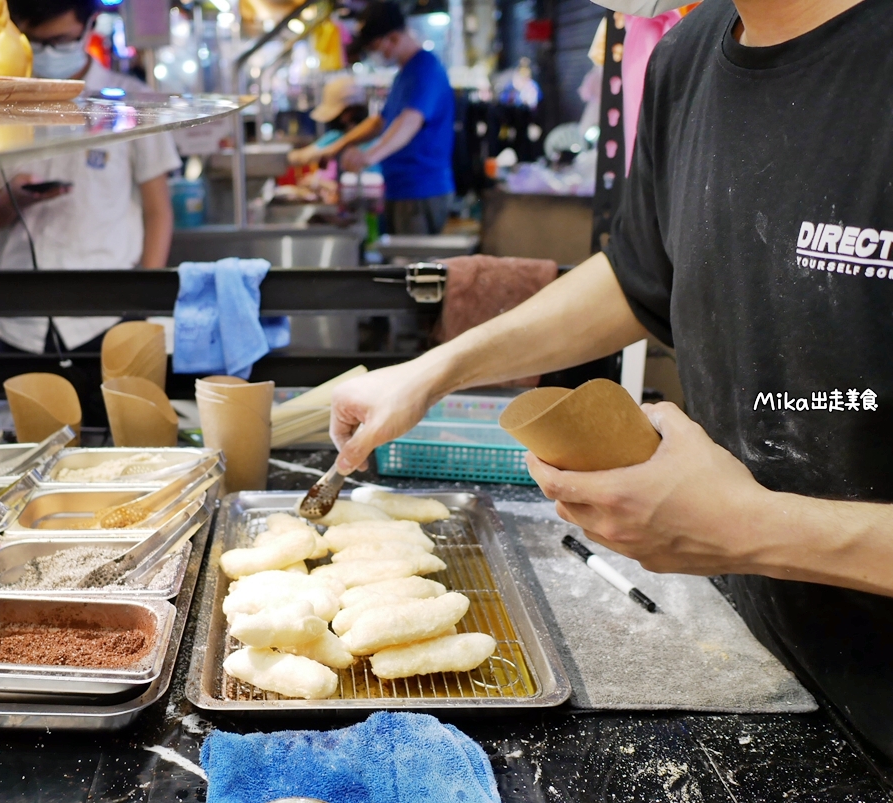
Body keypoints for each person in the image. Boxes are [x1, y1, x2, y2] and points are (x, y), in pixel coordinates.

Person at [329, 0, 893, 758]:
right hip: (771, 666)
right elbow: (639, 277)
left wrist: (756, 529)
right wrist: (434, 371)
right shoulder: (688, 58)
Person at [0, 0, 180, 355]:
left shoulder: (132, 102)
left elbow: (158, 210)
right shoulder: (2, 105)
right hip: (21, 321)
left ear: (91, 25)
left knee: (117, 412)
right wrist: (12, 200)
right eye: (35, 42)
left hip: (108, 314)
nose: (49, 53)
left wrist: (143, 305)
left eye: (61, 41)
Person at [320, 1, 455, 235]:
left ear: (392, 38)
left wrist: (368, 156)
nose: (376, 54)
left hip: (420, 190)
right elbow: (380, 122)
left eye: (375, 47)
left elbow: (409, 122)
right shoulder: (405, 73)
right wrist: (338, 146)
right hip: (399, 188)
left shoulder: (426, 70)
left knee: (412, 267)